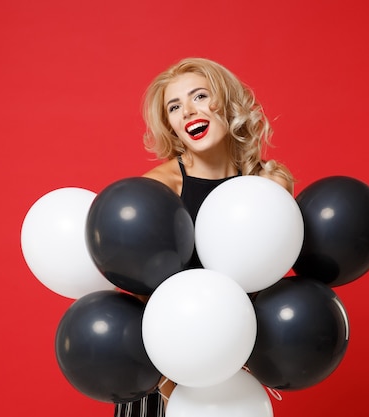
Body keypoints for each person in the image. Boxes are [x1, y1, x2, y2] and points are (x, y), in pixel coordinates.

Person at [114, 57, 294, 417]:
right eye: (174, 106)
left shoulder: (268, 188)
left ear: (227, 104)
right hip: (162, 377)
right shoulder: (157, 190)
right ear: (171, 126)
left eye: (199, 96)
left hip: (233, 381)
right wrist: (170, 382)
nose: (188, 111)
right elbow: (138, 292)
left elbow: (265, 286)